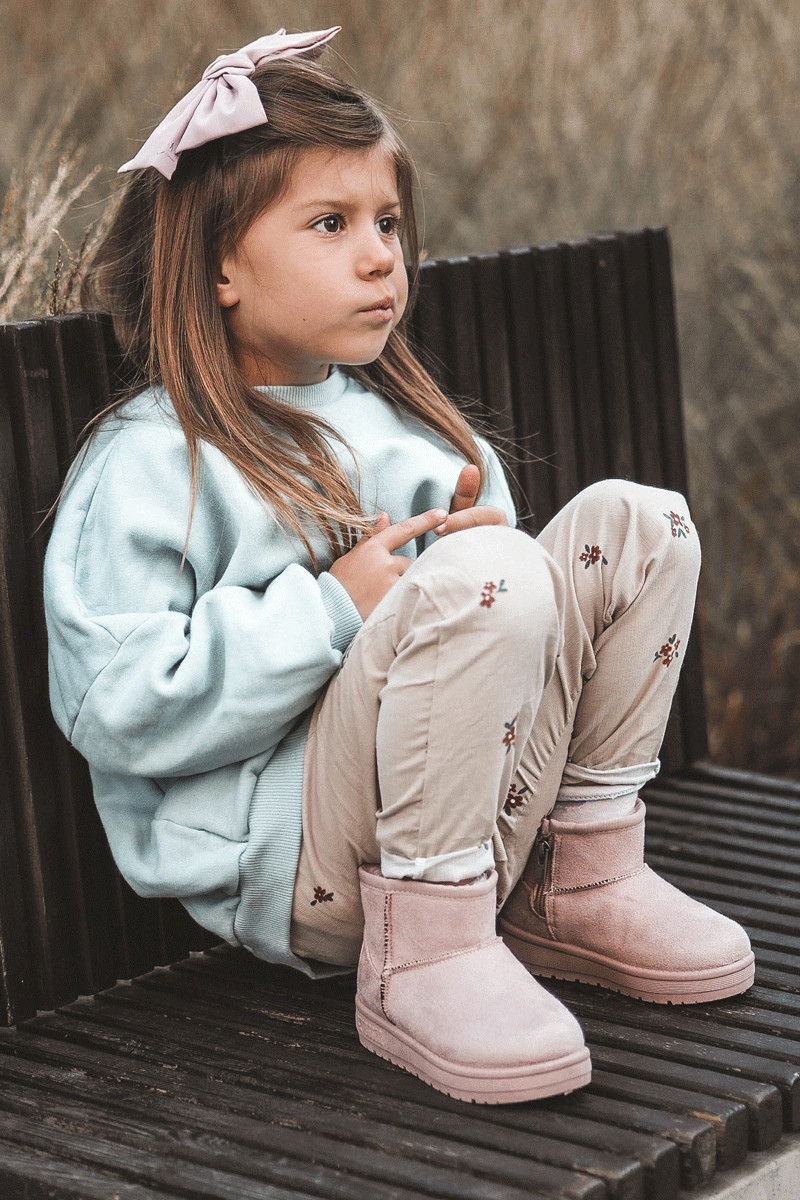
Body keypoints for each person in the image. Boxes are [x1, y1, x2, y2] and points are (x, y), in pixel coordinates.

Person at [44, 27, 754, 1106]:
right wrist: (333, 610)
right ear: (219, 264)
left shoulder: (410, 431)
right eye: (330, 224)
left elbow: (501, 622)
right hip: (308, 864)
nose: (382, 256)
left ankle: (577, 880)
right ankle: (419, 960)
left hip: (482, 826)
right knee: (490, 574)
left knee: (641, 522)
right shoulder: (151, 464)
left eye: (386, 223)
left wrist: (483, 577)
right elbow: (115, 706)